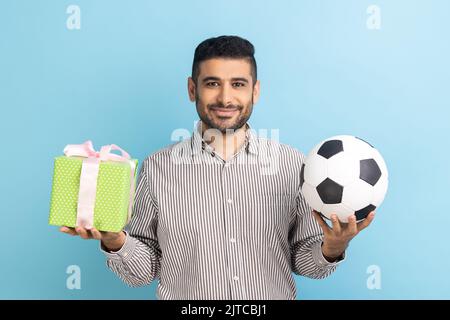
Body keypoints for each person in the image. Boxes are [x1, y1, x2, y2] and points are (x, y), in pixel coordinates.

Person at [60, 35, 375, 300]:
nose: (226, 97)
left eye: (238, 84)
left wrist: (333, 247)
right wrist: (115, 240)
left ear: (255, 91)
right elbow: (144, 273)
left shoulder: (293, 165)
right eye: (212, 83)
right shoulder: (157, 168)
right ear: (192, 89)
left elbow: (305, 264)